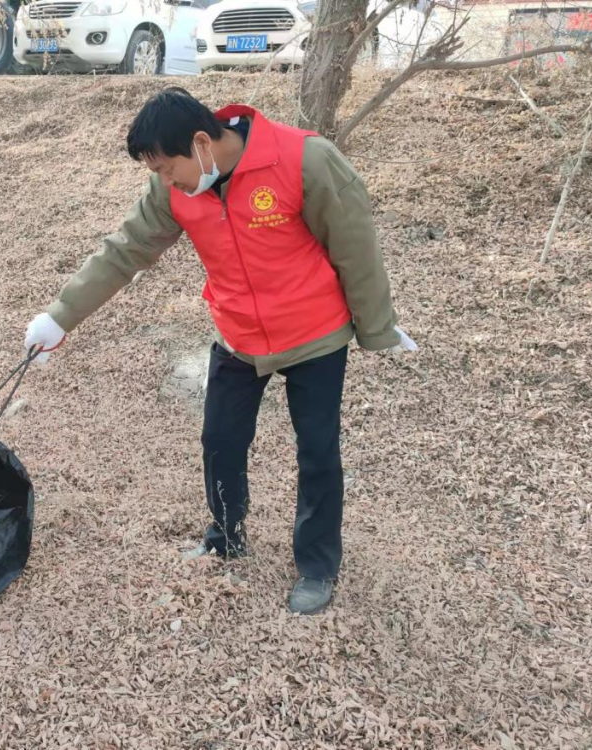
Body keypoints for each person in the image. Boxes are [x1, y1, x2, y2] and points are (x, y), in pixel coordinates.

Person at [23, 88, 417, 616]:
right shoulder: (176, 189)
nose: (166, 181)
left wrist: (377, 327)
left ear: (202, 142)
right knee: (221, 439)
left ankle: (318, 565)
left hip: (314, 334)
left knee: (317, 451)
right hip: (237, 336)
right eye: (157, 172)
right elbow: (124, 252)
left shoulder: (305, 159)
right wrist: (59, 316)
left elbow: (355, 245)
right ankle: (226, 534)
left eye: (168, 167)